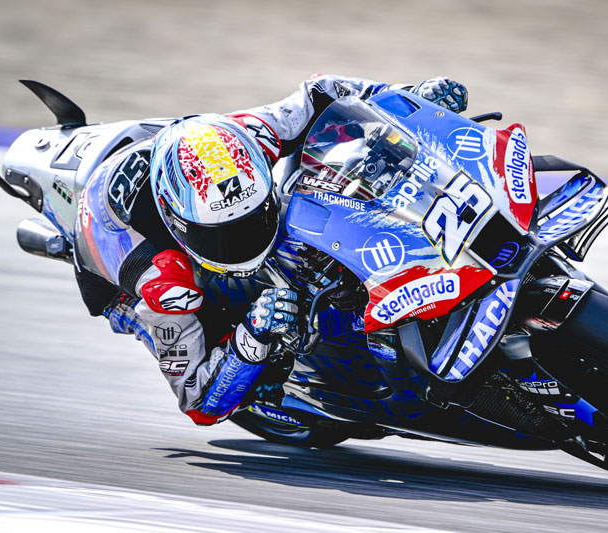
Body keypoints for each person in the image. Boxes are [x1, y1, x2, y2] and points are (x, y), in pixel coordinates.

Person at [72, 75, 469, 426]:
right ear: (180, 225)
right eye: (223, 236)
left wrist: (409, 96)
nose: (244, 243)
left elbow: (325, 92)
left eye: (254, 219)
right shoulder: (163, 282)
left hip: (173, 150)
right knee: (219, 321)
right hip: (118, 278)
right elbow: (197, 401)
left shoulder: (253, 135)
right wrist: (252, 334)